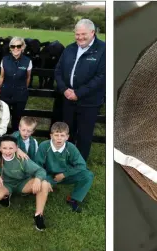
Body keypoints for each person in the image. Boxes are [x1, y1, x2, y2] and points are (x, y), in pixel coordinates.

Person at [54, 19, 105, 161]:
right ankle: (66, 159)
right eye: (77, 34)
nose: (80, 37)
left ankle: (79, 163)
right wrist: (64, 89)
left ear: (92, 32)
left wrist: (79, 93)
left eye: (83, 34)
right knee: (67, 131)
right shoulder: (69, 49)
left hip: (89, 102)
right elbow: (58, 71)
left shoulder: (103, 50)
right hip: (68, 99)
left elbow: (101, 76)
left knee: (84, 134)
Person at [0, 135, 51, 231]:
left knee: (44, 184)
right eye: (4, 148)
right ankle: (6, 195)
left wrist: (38, 179)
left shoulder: (21, 157)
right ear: (0, 148)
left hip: (22, 183)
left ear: (16, 148)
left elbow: (40, 170)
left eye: (11, 148)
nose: (8, 151)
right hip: (6, 184)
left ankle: (38, 215)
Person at [35, 122, 93, 213]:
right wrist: (44, 180)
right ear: (51, 136)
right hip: (49, 175)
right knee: (38, 184)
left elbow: (81, 165)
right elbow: (37, 165)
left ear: (67, 137)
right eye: (56, 135)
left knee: (88, 175)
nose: (59, 138)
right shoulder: (44, 146)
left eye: (62, 135)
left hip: (66, 174)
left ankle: (73, 198)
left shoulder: (71, 148)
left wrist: (64, 174)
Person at [0, 37, 33, 131]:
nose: (16, 48)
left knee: (17, 119)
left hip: (20, 95)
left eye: (18, 46)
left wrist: (23, 89)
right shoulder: (4, 60)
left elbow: (28, 77)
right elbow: (2, 76)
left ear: (23, 47)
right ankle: (2, 138)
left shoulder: (27, 61)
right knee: (3, 117)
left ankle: (14, 138)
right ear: (10, 48)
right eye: (13, 46)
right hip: (5, 93)